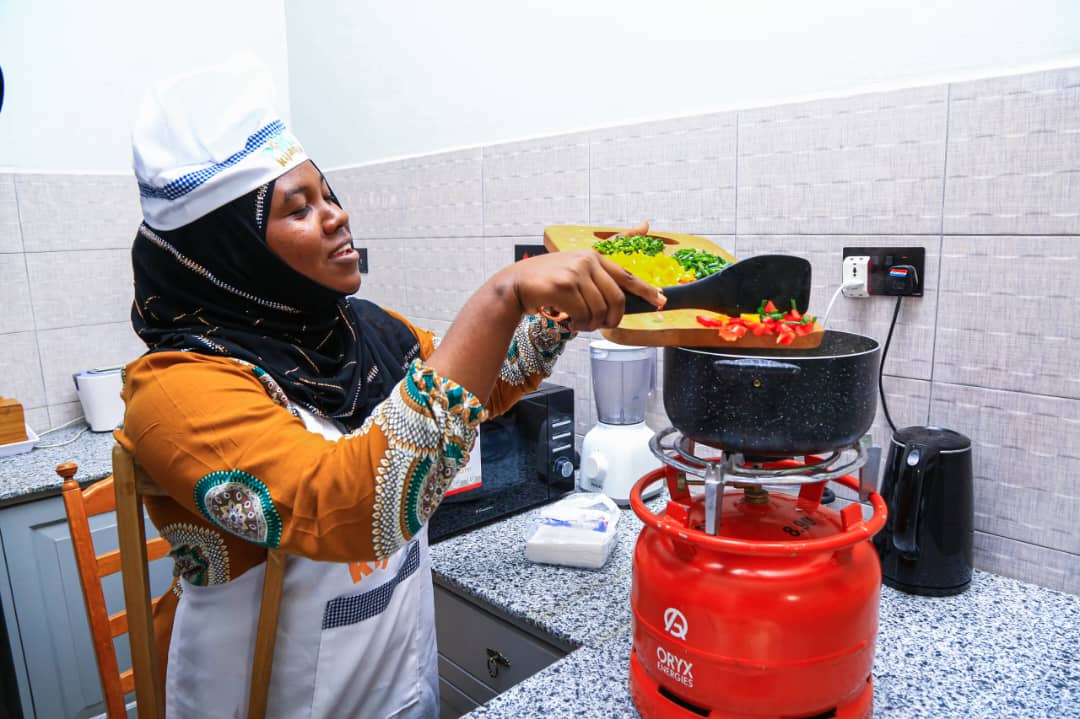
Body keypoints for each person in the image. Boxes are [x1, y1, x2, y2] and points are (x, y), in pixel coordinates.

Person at [116, 54, 663, 719]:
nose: (336, 216)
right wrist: (500, 297)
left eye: (327, 195)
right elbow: (350, 507)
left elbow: (479, 388)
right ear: (228, 253)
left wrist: (557, 313)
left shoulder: (365, 332)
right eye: (298, 209)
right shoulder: (177, 390)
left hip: (397, 685)